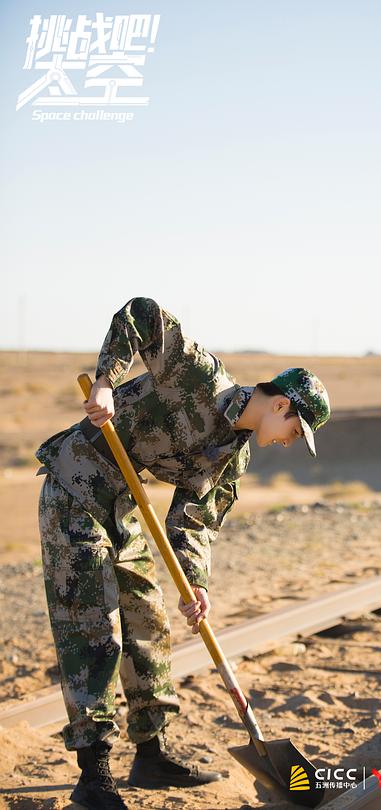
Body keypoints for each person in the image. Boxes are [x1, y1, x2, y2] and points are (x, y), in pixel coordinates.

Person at [35, 296, 331, 810]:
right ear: (281, 404)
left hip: (124, 505)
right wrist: (106, 381)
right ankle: (93, 773)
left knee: (148, 621)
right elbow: (144, 314)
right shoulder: (199, 375)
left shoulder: (231, 458)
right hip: (75, 488)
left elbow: (193, 523)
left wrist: (196, 584)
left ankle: (151, 755)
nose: (288, 442)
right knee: (94, 628)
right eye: (294, 431)